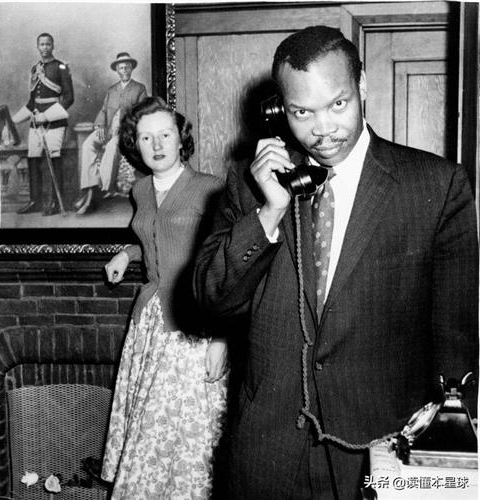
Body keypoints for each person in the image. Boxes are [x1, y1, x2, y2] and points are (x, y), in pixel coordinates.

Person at [193, 26, 478, 500]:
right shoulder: (251, 184)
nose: (323, 129)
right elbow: (210, 298)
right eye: (302, 112)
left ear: (361, 86)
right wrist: (269, 213)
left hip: (381, 451)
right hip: (269, 452)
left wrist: (448, 450)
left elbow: (457, 338)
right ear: (278, 110)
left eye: (338, 104)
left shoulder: (436, 185)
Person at [101, 97, 228, 499]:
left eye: (165, 135)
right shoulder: (140, 189)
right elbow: (156, 236)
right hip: (150, 324)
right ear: (134, 144)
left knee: (186, 434)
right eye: (146, 137)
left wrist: (222, 338)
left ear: (180, 137)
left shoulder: (210, 189)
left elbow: (231, 266)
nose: (156, 145)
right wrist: (127, 254)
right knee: (150, 431)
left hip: (194, 326)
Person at [75, 52, 147, 215]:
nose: (124, 70)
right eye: (121, 67)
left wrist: (126, 129)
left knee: (113, 145)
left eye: (127, 67)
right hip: (108, 129)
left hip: (126, 131)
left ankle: (100, 189)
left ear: (131, 69)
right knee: (87, 144)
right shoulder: (111, 90)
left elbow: (142, 114)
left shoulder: (139, 88)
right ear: (117, 70)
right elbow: (103, 110)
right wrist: (100, 125)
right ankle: (89, 187)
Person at [13, 32, 74, 216]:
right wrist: (13, 121)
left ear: (53, 46)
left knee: (55, 157)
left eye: (48, 44)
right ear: (37, 47)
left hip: (54, 120)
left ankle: (55, 202)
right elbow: (32, 102)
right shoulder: (35, 69)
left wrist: (47, 117)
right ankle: (35, 202)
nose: (45, 47)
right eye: (42, 44)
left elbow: (69, 98)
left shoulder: (61, 67)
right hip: (35, 120)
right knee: (33, 157)